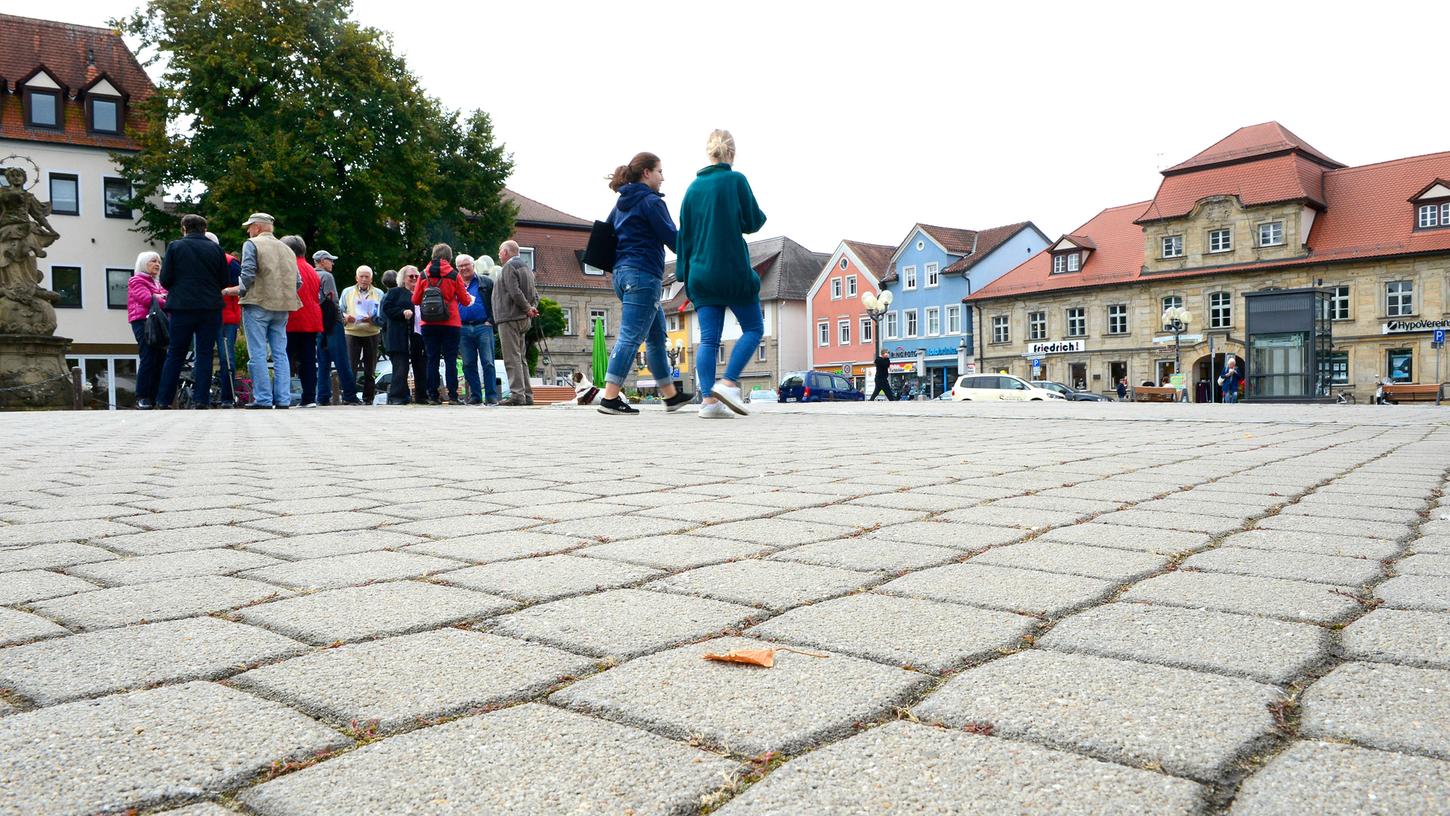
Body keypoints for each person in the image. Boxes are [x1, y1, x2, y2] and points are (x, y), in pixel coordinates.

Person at [676, 129, 767, 419]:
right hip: (732, 269)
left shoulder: (692, 189)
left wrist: (684, 276)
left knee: (709, 340)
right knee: (753, 328)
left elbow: (684, 238)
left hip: (700, 273)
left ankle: (708, 403)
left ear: (709, 153)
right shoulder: (736, 180)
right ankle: (728, 383)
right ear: (732, 153)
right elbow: (753, 221)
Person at [596, 152, 692, 416]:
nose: (663, 178)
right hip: (643, 275)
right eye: (660, 171)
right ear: (647, 173)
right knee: (630, 336)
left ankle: (670, 396)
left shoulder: (621, 203)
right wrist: (697, 239)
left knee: (655, 336)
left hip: (621, 274)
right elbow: (673, 238)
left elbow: (606, 234)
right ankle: (610, 397)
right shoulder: (651, 202)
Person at [225, 213, 300, 409]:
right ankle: (283, 399)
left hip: (257, 303)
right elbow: (297, 282)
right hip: (283, 307)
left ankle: (264, 399)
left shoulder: (252, 244)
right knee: (280, 354)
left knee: (257, 353)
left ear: (257, 227)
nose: (248, 231)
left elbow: (248, 273)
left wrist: (237, 291)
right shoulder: (288, 249)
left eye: (249, 227)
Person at [156, 214, 228, 409]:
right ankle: (201, 399)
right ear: (204, 229)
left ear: (184, 228)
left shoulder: (175, 247)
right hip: (210, 307)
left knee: (176, 354)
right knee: (204, 354)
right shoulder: (216, 249)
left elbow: (165, 279)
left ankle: (164, 400)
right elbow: (224, 280)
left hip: (182, 306)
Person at [411, 244, 471, 405]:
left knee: (432, 359)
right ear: (449, 257)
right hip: (450, 322)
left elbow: (415, 300)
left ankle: (433, 395)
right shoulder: (453, 274)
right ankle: (452, 396)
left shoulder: (423, 275)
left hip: (428, 323)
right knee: (451, 360)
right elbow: (465, 301)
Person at [493, 240, 539, 406]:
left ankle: (517, 395)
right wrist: (532, 308)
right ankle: (527, 395)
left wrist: (527, 308)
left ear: (506, 252)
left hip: (510, 317)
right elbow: (536, 295)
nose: (499, 254)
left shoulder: (509, 267)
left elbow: (514, 291)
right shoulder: (527, 268)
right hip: (523, 319)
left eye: (500, 251)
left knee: (512, 358)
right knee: (521, 359)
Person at [279, 236, 323, 407]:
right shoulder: (312, 270)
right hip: (312, 319)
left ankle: (281, 396)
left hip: (293, 317)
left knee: (284, 358)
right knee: (308, 359)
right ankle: (309, 397)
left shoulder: (289, 266)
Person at [313, 250, 360, 407]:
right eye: (330, 260)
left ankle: (322, 397)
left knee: (322, 361)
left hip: (318, 322)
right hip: (332, 322)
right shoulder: (326, 276)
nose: (332, 263)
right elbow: (333, 300)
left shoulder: (310, 274)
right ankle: (349, 395)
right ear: (321, 261)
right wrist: (341, 319)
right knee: (341, 360)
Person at [127, 251, 166, 409]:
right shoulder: (136, 280)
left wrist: (158, 296)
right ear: (143, 263)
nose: (157, 264)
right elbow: (146, 299)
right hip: (143, 321)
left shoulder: (158, 283)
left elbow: (161, 298)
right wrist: (160, 297)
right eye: (152, 261)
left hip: (159, 322)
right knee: (148, 357)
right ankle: (142, 396)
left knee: (160, 359)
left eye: (158, 261)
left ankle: (155, 397)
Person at [454, 254, 495, 405]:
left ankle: (491, 396)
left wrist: (491, 320)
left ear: (473, 265)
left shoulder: (486, 282)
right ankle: (476, 395)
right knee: (468, 364)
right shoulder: (454, 284)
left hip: (483, 326)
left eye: (466, 265)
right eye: (460, 266)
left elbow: (495, 302)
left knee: (488, 362)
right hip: (462, 328)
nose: (464, 268)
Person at [340, 264, 384, 405]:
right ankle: (349, 396)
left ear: (371, 279)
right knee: (350, 366)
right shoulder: (347, 292)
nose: (364, 279)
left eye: (367, 277)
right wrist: (346, 317)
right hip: (352, 332)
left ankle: (368, 398)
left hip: (372, 332)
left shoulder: (379, 293)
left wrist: (373, 319)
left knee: (370, 368)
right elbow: (340, 310)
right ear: (356, 278)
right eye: (362, 276)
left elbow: (382, 314)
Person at [208, 232, 241, 408]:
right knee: (204, 356)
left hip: (226, 316)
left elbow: (243, 287)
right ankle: (203, 396)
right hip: (208, 314)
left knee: (226, 357)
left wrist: (225, 291)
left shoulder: (230, 262)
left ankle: (228, 397)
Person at [381, 266, 419, 405]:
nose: (414, 278)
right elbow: (387, 308)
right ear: (403, 278)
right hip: (398, 336)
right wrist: (402, 312)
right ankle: (397, 397)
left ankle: (421, 395)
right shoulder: (395, 292)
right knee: (400, 368)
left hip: (417, 336)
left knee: (420, 366)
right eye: (411, 276)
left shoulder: (421, 292)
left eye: (416, 276)